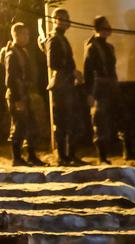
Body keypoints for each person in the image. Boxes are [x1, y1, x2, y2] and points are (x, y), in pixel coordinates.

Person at [1, 22, 44, 166]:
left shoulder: (22, 52)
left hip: (26, 94)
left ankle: (31, 155)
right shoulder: (12, 54)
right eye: (24, 34)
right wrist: (18, 98)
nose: (27, 37)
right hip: (17, 95)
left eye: (28, 34)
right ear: (16, 35)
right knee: (19, 125)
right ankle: (16, 157)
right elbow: (10, 79)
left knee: (32, 124)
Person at [44, 8, 83, 165]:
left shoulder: (61, 38)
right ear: (56, 20)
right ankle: (62, 156)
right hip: (61, 85)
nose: (67, 21)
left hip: (67, 84)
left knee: (71, 120)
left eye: (67, 17)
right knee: (62, 122)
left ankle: (70, 155)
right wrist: (72, 71)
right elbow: (52, 63)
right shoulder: (54, 39)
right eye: (64, 18)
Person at [83, 16, 120, 163]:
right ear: (98, 28)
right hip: (99, 88)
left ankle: (122, 152)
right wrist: (89, 93)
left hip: (111, 85)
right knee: (100, 121)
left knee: (114, 119)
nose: (109, 28)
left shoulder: (110, 47)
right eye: (105, 25)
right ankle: (102, 157)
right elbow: (87, 71)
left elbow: (112, 69)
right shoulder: (92, 47)